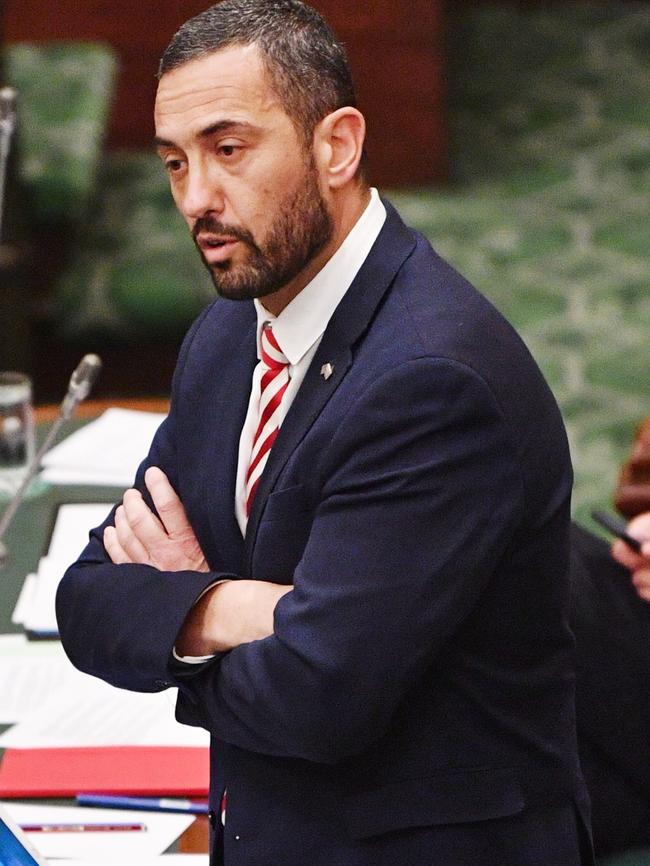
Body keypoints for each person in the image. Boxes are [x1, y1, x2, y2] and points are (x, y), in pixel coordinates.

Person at [56, 2, 592, 863]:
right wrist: (234, 606)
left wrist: (181, 610)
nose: (195, 198)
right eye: (173, 162)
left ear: (336, 146)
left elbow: (317, 700)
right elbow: (86, 599)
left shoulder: (430, 382)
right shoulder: (228, 334)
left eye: (228, 150)